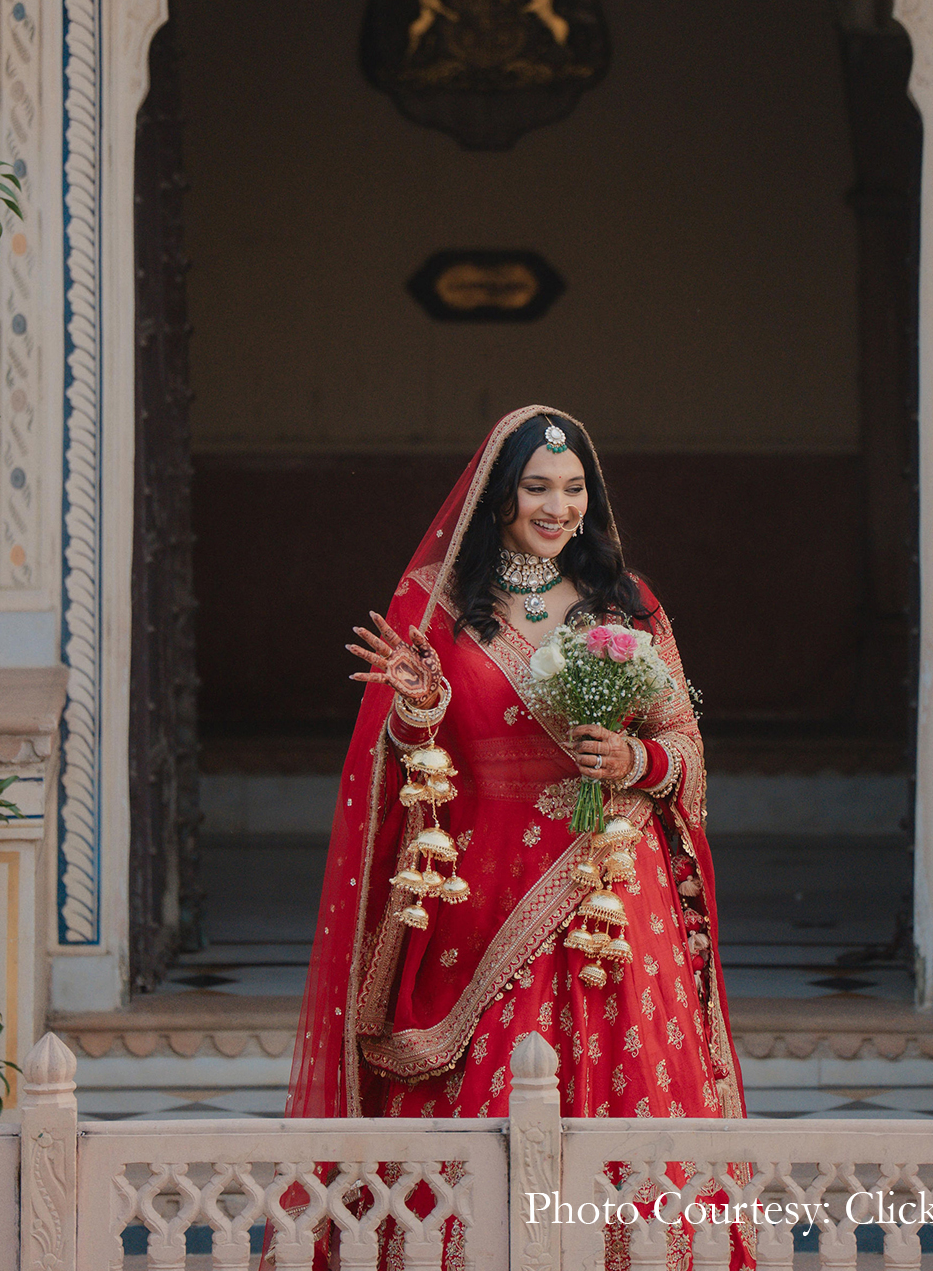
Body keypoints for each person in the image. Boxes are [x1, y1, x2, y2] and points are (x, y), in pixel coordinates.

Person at [268, 405, 753, 1270]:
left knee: (625, 1084)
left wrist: (637, 757)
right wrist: (416, 710)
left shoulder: (628, 603)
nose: (557, 507)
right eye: (537, 488)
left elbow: (687, 748)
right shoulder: (444, 611)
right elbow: (412, 767)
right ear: (500, 499)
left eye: (573, 490)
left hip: (614, 886)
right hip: (486, 893)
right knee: (488, 1084)